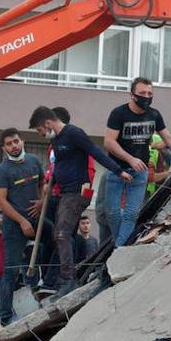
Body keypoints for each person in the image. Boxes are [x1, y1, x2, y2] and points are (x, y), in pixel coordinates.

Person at [31, 106, 133, 291]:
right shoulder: (56, 140)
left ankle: (68, 280)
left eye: (40, 130)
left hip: (77, 193)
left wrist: (118, 171)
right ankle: (62, 279)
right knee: (63, 235)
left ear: (47, 123)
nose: (41, 134)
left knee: (61, 234)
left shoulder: (74, 134)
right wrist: (49, 184)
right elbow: (58, 167)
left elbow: (96, 152)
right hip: (64, 193)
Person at [104, 79, 171, 247]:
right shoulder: (119, 114)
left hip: (140, 172)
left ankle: (119, 249)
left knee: (131, 214)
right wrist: (130, 158)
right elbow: (109, 142)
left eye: (150, 94)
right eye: (142, 93)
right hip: (117, 169)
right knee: (113, 213)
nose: (147, 97)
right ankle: (119, 246)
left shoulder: (154, 115)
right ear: (131, 95)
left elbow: (169, 138)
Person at [0, 128, 46, 324]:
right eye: (9, 143)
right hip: (14, 226)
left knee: (58, 238)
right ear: (4, 148)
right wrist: (22, 221)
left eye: (16, 141)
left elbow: (42, 184)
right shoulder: (1, 170)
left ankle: (47, 292)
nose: (14, 146)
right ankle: (5, 317)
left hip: (36, 220)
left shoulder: (34, 161)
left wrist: (41, 202)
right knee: (11, 271)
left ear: (22, 141)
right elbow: (1, 202)